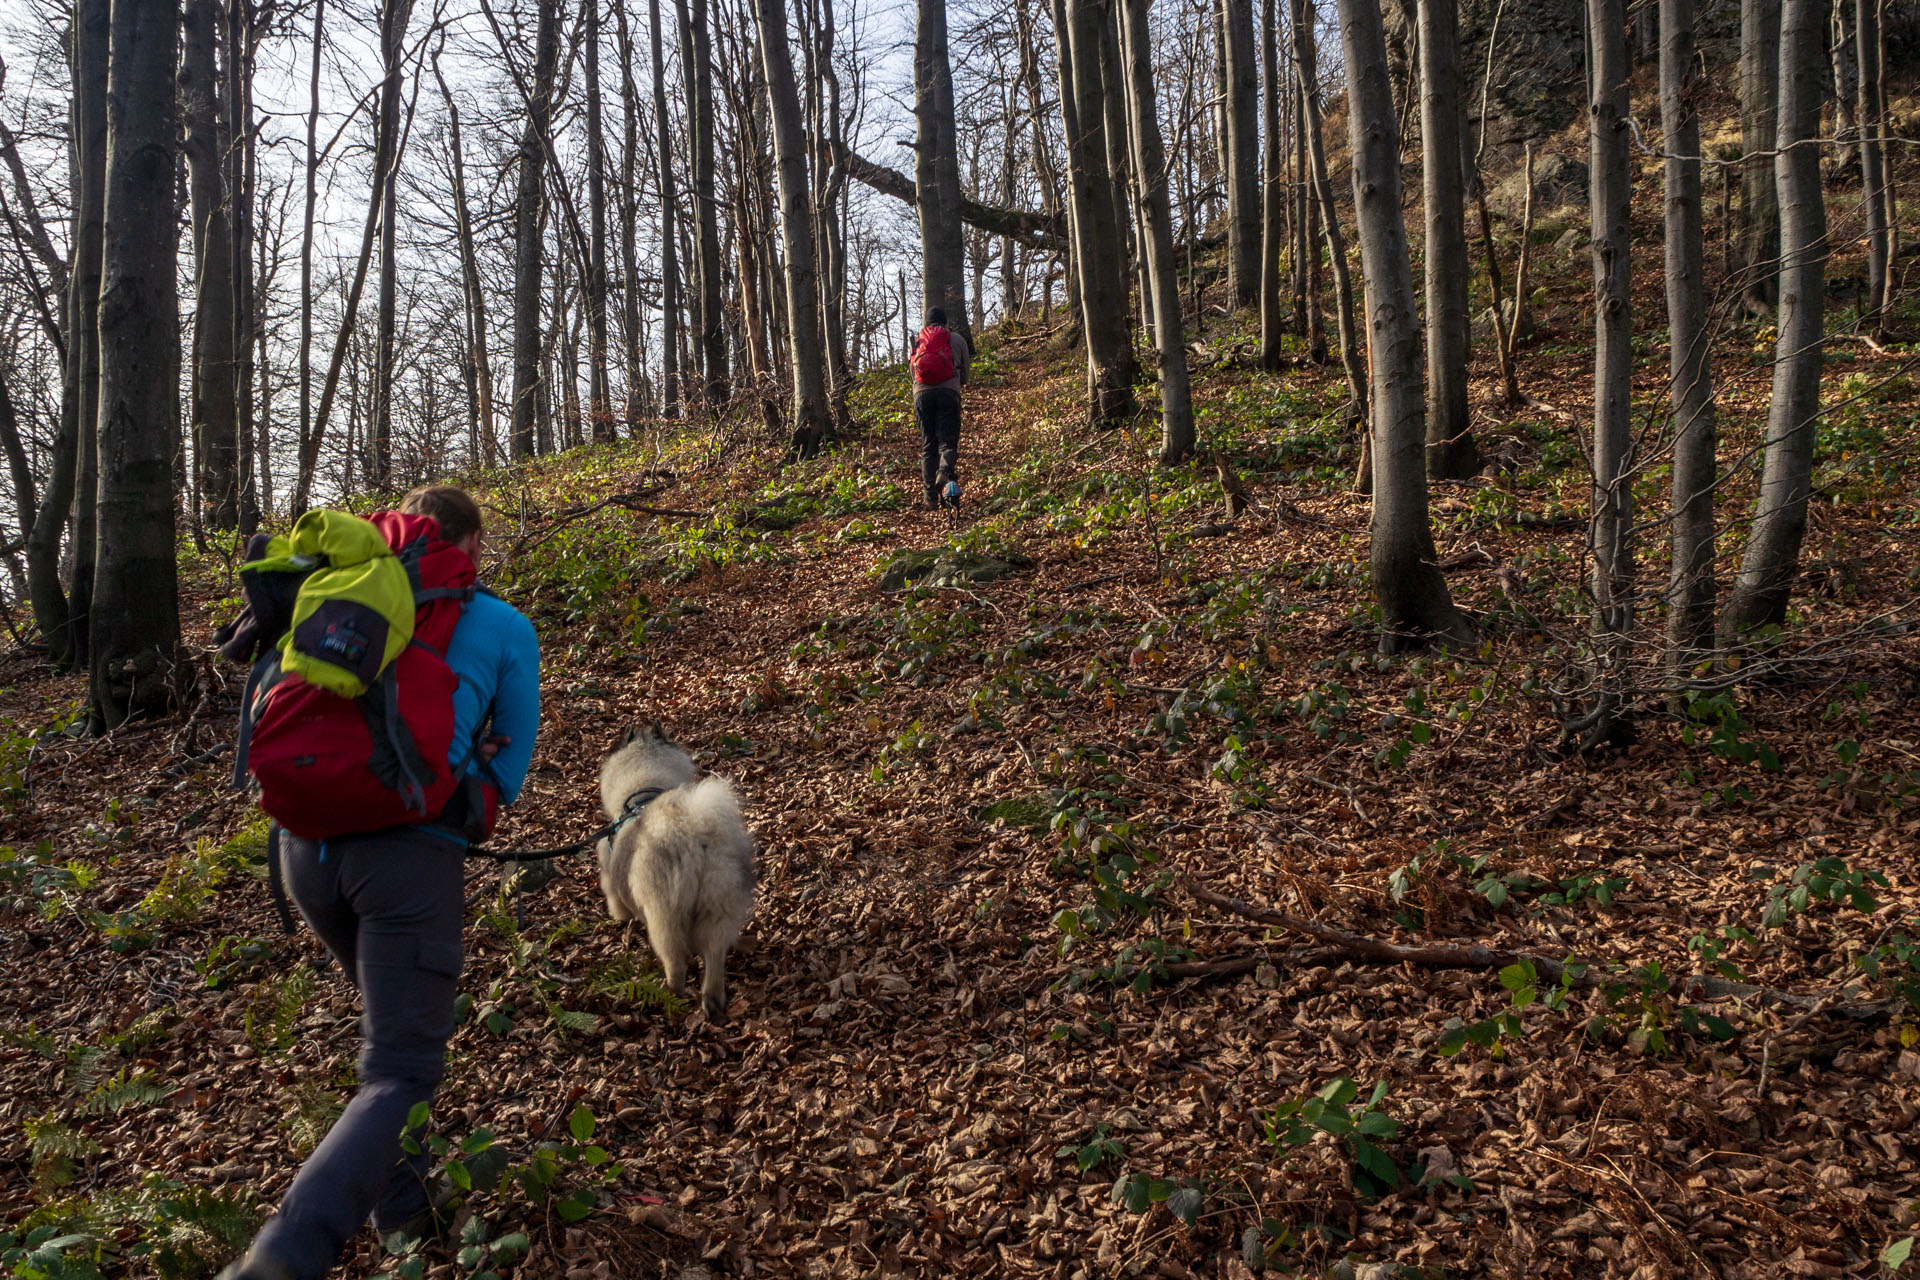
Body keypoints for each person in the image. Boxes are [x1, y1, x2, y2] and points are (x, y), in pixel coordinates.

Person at [220, 486, 541, 1280]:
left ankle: (406, 1212)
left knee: (388, 1041)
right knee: (400, 1067)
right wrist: (476, 794)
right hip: (406, 859)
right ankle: (287, 1253)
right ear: (465, 545)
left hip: (303, 853)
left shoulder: (334, 602)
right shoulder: (500, 624)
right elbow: (512, 760)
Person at [910, 306, 970, 510]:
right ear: (945, 322)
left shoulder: (919, 341)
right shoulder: (957, 339)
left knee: (928, 446)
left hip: (921, 395)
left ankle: (930, 498)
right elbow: (966, 373)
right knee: (948, 442)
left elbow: (913, 371)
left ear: (927, 323)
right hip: (948, 394)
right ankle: (944, 470)